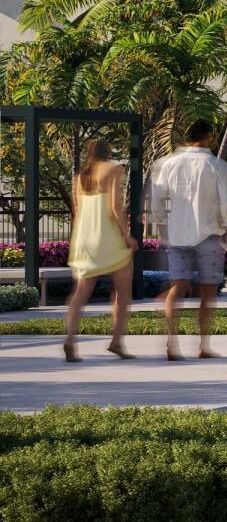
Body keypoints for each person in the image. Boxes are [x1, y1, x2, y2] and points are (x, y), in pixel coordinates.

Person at [147, 118, 227, 361]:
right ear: (209, 136)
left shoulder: (169, 164)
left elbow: (156, 198)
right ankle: (203, 345)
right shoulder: (216, 165)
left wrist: (161, 224)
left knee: (177, 287)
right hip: (209, 233)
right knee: (208, 291)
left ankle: (171, 343)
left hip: (177, 234)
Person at [60, 137, 133, 362]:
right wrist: (127, 236)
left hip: (84, 238)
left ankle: (70, 339)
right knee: (122, 291)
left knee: (81, 291)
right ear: (108, 149)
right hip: (108, 238)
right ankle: (117, 341)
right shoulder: (114, 169)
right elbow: (115, 207)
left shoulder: (80, 176)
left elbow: (77, 210)